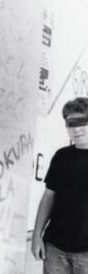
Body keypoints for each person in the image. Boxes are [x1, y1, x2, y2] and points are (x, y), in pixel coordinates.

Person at [32, 97, 88, 274]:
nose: (76, 129)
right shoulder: (61, 157)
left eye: (82, 122)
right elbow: (48, 196)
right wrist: (36, 236)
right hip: (55, 248)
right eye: (70, 123)